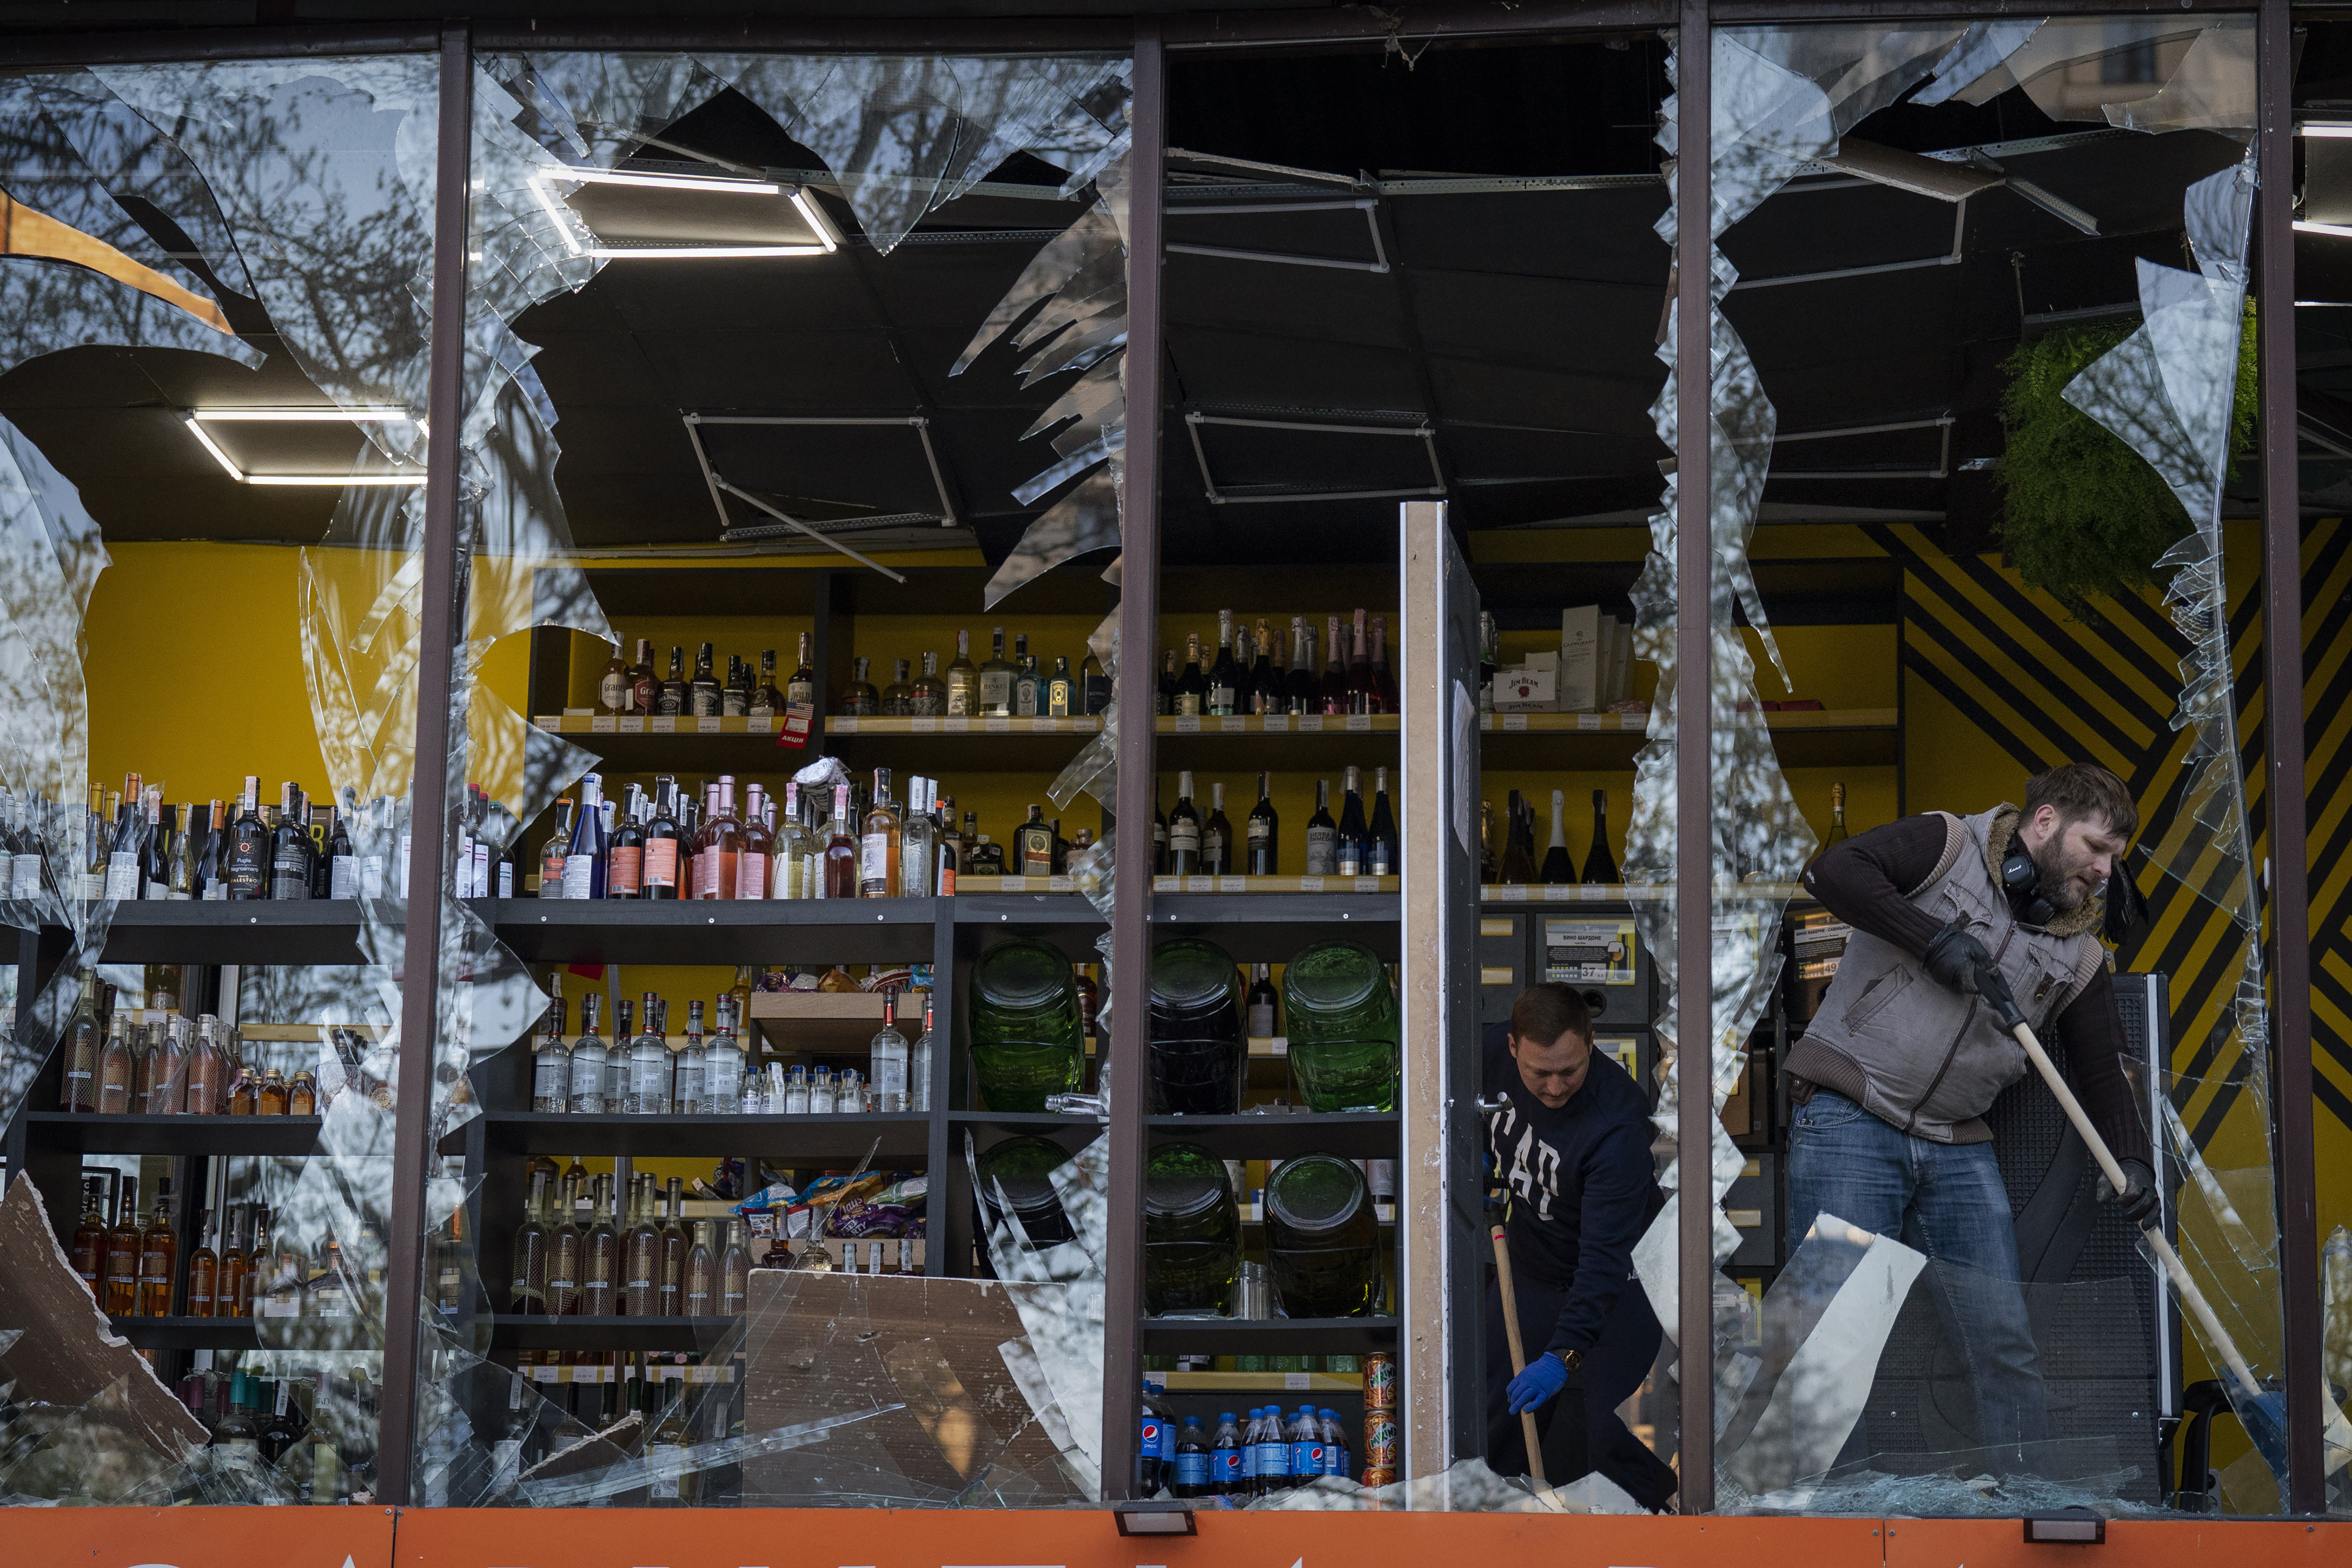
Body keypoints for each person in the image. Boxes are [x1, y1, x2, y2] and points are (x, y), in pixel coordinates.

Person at [1789, 762, 2159, 1460]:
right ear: (2045, 823)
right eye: (2098, 848)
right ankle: (1825, 1529)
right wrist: (1932, 941)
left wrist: (2133, 1160)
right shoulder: (1946, 846)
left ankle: (2026, 1511)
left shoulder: (2079, 953)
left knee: (2005, 1343)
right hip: (1850, 1115)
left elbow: (2105, 1068)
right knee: (1828, 1338)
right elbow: (1833, 872)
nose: (2108, 872)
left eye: (2116, 856)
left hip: (1957, 1146)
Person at [1480, 982, 1678, 1509]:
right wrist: (1468, 1150)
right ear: (1513, 1048)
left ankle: (1634, 1554)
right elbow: (1439, 1096)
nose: (1552, 1087)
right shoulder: (1485, 1054)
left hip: (1624, 1284)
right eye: (1538, 1072)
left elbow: (1602, 1265)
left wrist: (1562, 1356)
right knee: (1497, 1428)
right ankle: (1496, 1546)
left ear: (1591, 1045)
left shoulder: (1618, 1125)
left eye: (1569, 1070)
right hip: (1531, 1268)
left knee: (1621, 1441)